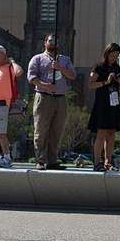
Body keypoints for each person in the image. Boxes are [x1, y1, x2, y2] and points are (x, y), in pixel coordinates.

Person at [27, 34, 77, 170]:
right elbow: (31, 77)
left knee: (57, 130)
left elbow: (72, 75)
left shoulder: (64, 60)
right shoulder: (37, 59)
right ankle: (40, 160)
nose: (53, 43)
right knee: (41, 130)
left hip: (60, 99)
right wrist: (45, 85)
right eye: (50, 41)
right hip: (43, 97)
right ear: (45, 42)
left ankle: (52, 160)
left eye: (56, 41)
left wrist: (60, 68)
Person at [87, 43, 120, 172]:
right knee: (101, 132)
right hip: (102, 104)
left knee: (111, 133)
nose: (114, 58)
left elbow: (119, 87)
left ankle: (108, 162)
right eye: (113, 55)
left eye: (117, 56)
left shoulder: (116, 67)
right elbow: (90, 85)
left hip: (113, 104)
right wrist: (106, 82)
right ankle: (97, 163)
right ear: (107, 53)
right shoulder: (99, 67)